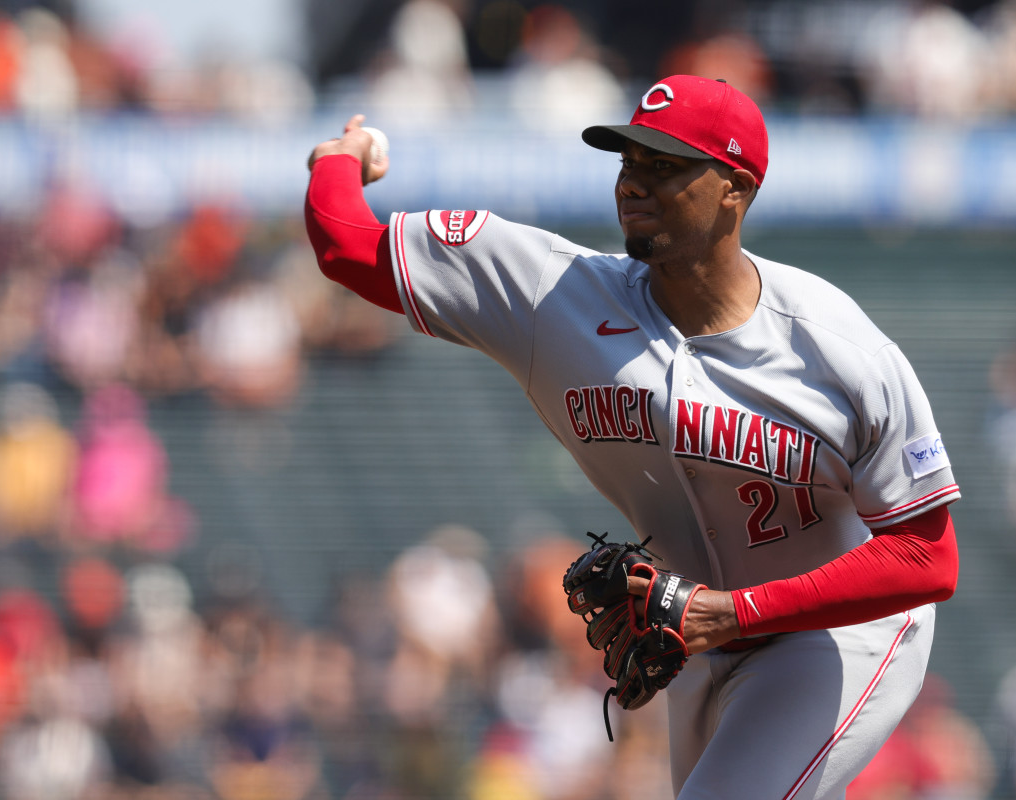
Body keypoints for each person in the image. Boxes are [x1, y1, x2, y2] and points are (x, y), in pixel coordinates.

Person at [304, 74, 961, 800]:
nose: (633, 184)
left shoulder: (837, 348)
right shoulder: (553, 296)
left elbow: (926, 558)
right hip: (696, 640)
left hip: (842, 632)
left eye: (664, 166)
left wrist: (732, 612)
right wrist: (340, 159)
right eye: (628, 162)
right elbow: (347, 247)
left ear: (734, 188)